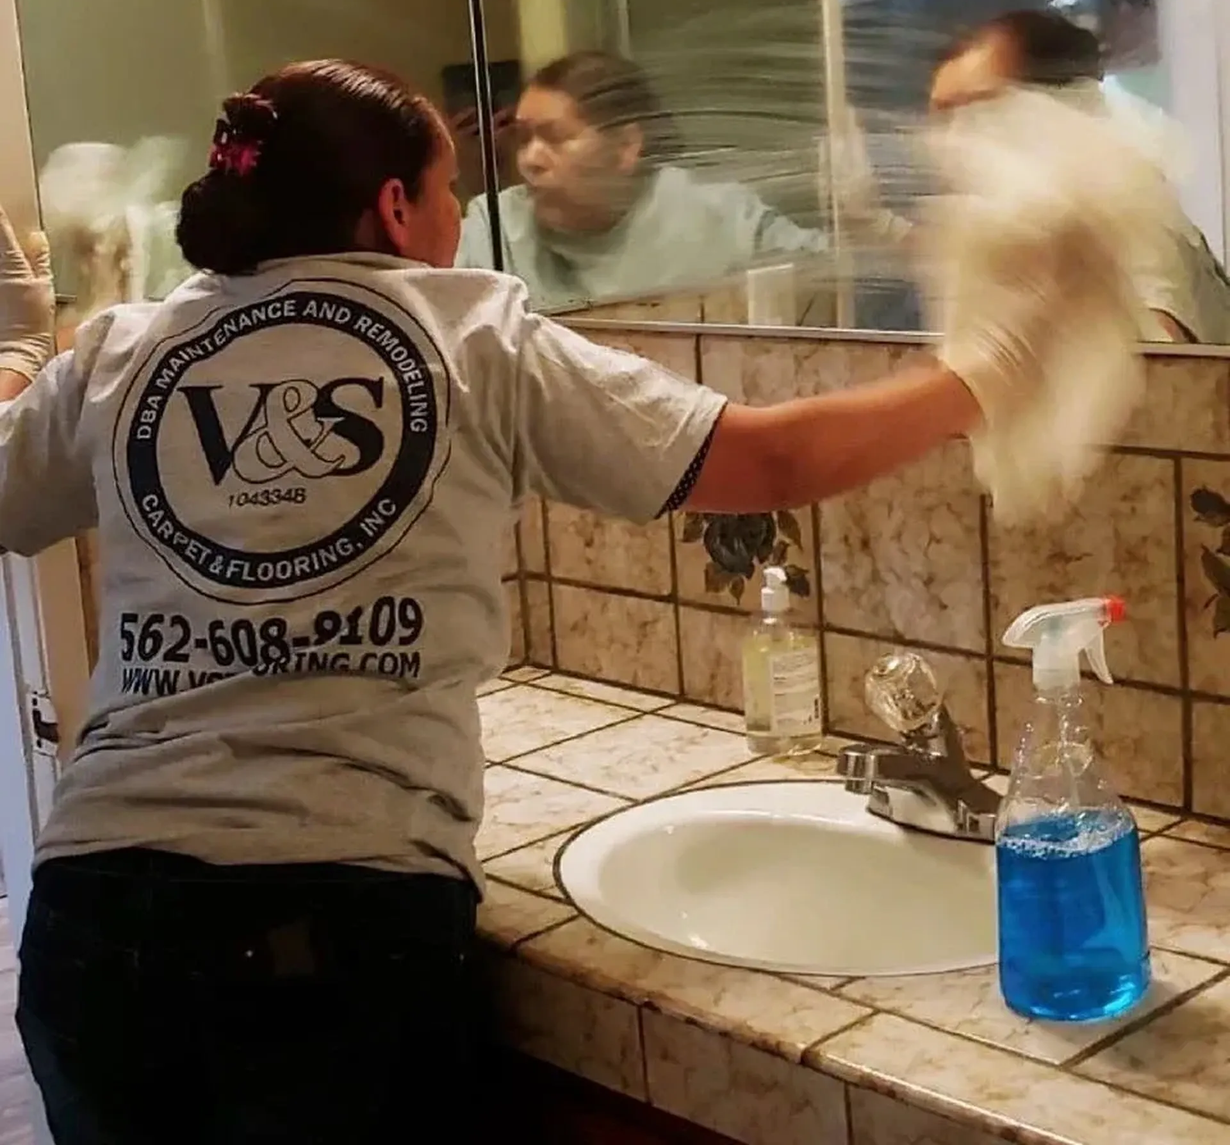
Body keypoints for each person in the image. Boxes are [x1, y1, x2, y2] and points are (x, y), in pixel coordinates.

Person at [0, 57, 1082, 1145]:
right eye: (451, 187)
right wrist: (987, 371)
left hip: (93, 921)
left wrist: (14, 351)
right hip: (331, 925)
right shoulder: (472, 333)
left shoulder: (122, 349)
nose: (466, 210)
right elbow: (768, 461)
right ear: (394, 206)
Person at [840, 7, 1230, 344]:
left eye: (975, 109)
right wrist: (873, 222)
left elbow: (1168, 370)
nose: (951, 138)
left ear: (1051, 111)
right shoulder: (1021, 214)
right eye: (942, 117)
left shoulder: (1131, 204)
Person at [454, 50, 829, 311]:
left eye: (554, 137)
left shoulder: (721, 219)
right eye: (523, 139)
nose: (529, 160)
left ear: (626, 146)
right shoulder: (494, 229)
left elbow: (841, 285)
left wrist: (873, 221)